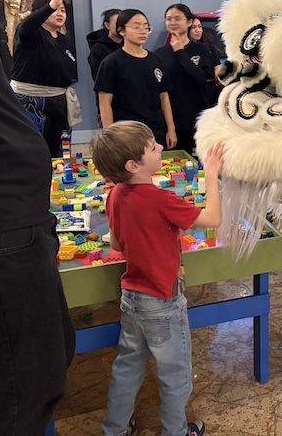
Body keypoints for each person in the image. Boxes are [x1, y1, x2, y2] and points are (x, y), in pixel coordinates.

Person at [0, 0, 75, 435]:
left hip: (15, 229)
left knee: (40, 365)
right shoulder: (30, 27)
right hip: (3, 238)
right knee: (19, 387)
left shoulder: (57, 39)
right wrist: (50, 3)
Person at [91, 121, 224, 436]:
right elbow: (213, 219)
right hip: (163, 301)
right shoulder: (159, 198)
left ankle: (115, 430)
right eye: (152, 147)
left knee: (127, 368)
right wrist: (211, 175)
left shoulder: (115, 195)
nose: (161, 147)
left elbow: (116, 244)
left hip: (132, 299)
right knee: (175, 375)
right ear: (133, 165)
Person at [10, 0, 82, 156]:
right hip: (31, 101)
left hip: (59, 101)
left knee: (59, 152)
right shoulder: (29, 34)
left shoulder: (64, 39)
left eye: (63, 10)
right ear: (39, 12)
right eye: (54, 10)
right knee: (33, 152)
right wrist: (51, 4)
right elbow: (26, 26)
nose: (59, 13)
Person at [94, 8, 177, 148]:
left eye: (146, 27)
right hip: (126, 132)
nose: (143, 31)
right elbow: (104, 102)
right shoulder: (111, 62)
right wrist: (110, 135)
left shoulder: (156, 60)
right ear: (121, 30)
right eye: (136, 27)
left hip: (154, 129)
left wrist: (171, 128)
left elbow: (164, 96)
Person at [156, 4, 219, 153]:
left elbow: (201, 77)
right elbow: (161, 90)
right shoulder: (159, 54)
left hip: (198, 118)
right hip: (172, 119)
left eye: (178, 18)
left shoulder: (203, 49)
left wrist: (180, 52)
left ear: (189, 22)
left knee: (200, 165)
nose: (173, 22)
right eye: (169, 19)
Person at [87, 8, 123, 80]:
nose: (121, 26)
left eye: (123, 23)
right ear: (107, 25)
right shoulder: (98, 49)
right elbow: (99, 78)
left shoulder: (130, 44)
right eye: (117, 23)